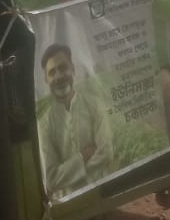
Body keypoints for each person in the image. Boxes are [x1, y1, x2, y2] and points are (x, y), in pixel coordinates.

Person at [38, 43, 113, 196]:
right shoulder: (44, 124)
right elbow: (51, 179)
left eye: (63, 68)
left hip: (100, 194)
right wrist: (83, 156)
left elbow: (106, 153)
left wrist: (69, 176)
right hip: (67, 205)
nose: (59, 77)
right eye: (52, 72)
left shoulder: (94, 105)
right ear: (46, 79)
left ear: (72, 69)